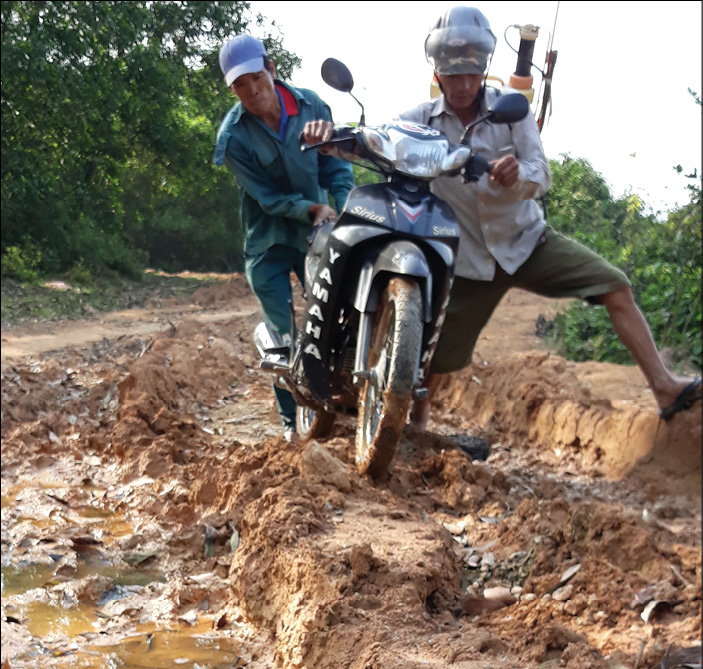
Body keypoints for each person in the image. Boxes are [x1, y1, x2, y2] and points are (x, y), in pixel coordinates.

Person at [303, 7, 701, 430]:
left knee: (615, 286)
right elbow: (378, 140)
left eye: (470, 74)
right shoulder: (419, 120)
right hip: (467, 261)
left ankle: (664, 387)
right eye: (452, 75)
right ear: (437, 73)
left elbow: (541, 174)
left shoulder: (513, 112)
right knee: (429, 351)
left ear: (483, 69)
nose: (462, 84)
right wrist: (331, 141)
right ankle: (414, 425)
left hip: (527, 242)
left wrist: (517, 176)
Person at [214, 34, 355, 443]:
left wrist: (344, 207)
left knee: (329, 323)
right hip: (268, 244)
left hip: (318, 237)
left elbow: (337, 169)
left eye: (257, 78)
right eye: (240, 85)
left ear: (271, 69)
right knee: (285, 337)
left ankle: (336, 407)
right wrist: (310, 208)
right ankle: (292, 424)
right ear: (232, 88)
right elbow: (268, 198)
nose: (252, 91)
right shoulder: (233, 138)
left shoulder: (312, 106)